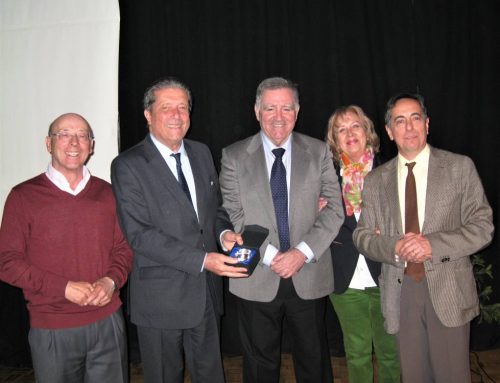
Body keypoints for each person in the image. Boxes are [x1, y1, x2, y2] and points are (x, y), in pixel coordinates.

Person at [111, 78, 247, 383]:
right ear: (148, 114)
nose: (176, 114)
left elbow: (216, 211)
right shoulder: (128, 165)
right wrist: (203, 260)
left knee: (211, 375)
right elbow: (139, 234)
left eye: (183, 107)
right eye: (167, 107)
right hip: (161, 299)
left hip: (206, 295)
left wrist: (224, 234)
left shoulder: (201, 153)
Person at [353, 93, 494, 383]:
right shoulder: (376, 180)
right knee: (414, 376)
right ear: (389, 131)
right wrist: (394, 246)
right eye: (400, 121)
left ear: (427, 124)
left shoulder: (459, 167)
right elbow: (362, 236)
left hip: (448, 287)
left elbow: (483, 226)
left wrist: (433, 244)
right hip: (401, 290)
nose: (409, 127)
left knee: (452, 376)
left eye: (415, 118)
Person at [219, 77, 344, 383]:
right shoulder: (233, 157)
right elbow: (233, 215)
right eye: (270, 108)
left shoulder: (319, 152)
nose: (278, 116)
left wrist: (301, 253)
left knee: (314, 362)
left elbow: (335, 211)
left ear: (297, 111)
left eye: (286, 108)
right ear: (256, 110)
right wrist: (274, 256)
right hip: (257, 274)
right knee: (259, 366)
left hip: (308, 273)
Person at [0, 113, 133, 383]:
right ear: (49, 143)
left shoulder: (109, 193)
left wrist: (110, 281)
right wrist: (64, 288)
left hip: (108, 321)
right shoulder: (22, 196)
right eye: (64, 134)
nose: (74, 142)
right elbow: (7, 263)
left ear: (91, 145)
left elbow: (124, 249)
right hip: (53, 326)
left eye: (82, 135)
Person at [324, 105, 400, 382]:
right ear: (334, 139)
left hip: (386, 273)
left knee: (390, 352)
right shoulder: (326, 177)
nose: (349, 133)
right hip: (345, 276)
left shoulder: (392, 170)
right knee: (356, 353)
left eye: (355, 126)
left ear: (368, 131)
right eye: (341, 129)